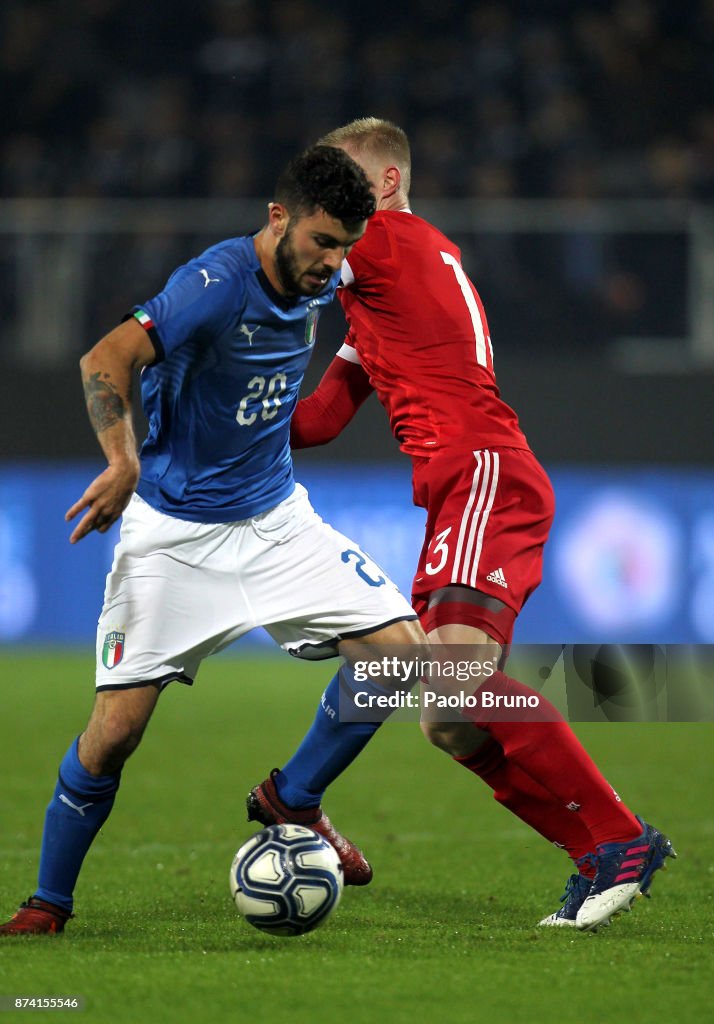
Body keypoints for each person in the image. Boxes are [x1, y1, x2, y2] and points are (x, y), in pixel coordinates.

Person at [246, 119, 676, 932]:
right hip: (463, 486)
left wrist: (174, 329)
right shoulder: (379, 291)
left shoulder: (390, 245)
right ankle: (598, 854)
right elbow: (321, 419)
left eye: (339, 185)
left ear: (383, 186)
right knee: (445, 718)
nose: (323, 212)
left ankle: (618, 837)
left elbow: (271, 258)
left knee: (448, 679)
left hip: (481, 472)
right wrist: (232, 422)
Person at [0, 145, 428, 936]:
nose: (333, 264)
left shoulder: (328, 273)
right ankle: (47, 902)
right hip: (174, 536)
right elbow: (107, 356)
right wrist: (122, 461)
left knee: (400, 655)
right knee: (115, 733)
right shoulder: (214, 285)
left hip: (274, 522)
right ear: (278, 219)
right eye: (322, 243)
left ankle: (293, 798)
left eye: (345, 247)